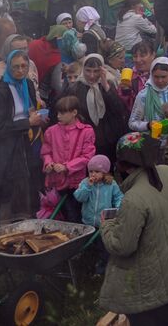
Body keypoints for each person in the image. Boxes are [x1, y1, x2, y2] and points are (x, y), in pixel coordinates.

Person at [98, 133, 168, 326]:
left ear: (123, 166)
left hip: (150, 281)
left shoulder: (134, 198)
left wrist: (107, 224)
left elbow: (122, 246)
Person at [0, 48, 45, 229]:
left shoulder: (27, 85)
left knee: (24, 183)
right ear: (8, 67)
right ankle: (2, 225)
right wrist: (27, 122)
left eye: (24, 66)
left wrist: (37, 116)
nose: (20, 70)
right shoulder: (0, 91)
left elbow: (28, 108)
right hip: (3, 148)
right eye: (15, 67)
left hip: (23, 143)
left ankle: (23, 223)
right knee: (4, 185)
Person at [41, 94, 95, 222]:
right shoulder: (51, 131)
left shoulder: (86, 131)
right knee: (60, 215)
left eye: (62, 113)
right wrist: (48, 163)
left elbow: (87, 156)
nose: (58, 116)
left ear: (74, 113)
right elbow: (46, 152)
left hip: (76, 183)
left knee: (75, 215)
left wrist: (67, 167)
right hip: (56, 181)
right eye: (58, 112)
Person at [68, 53, 129, 163]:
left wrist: (106, 87)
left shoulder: (108, 84)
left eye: (96, 71)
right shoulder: (76, 88)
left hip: (108, 138)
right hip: (85, 139)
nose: (92, 76)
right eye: (88, 71)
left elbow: (119, 109)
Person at [128, 57, 168, 133]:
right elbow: (132, 123)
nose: (160, 80)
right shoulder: (144, 95)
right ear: (151, 75)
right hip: (153, 138)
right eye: (156, 77)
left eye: (163, 77)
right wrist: (148, 125)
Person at [75, 153, 123, 228]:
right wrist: (88, 187)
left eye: (97, 172)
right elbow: (79, 198)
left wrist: (118, 207)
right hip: (88, 222)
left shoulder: (111, 184)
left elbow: (118, 197)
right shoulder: (85, 182)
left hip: (104, 222)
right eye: (91, 171)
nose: (93, 174)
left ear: (104, 172)